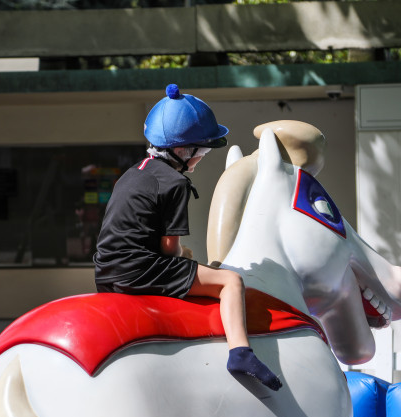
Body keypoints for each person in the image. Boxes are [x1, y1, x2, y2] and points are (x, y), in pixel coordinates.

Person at [93, 84, 282, 391]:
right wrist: (190, 257)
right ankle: (241, 353)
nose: (202, 158)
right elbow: (169, 249)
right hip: (140, 269)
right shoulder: (175, 183)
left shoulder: (132, 173)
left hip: (105, 272)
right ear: (183, 151)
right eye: (203, 151)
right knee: (231, 282)